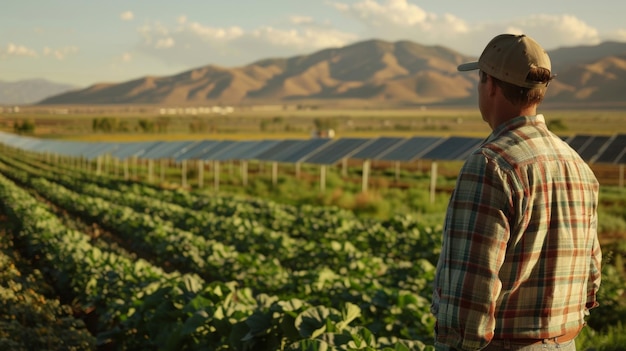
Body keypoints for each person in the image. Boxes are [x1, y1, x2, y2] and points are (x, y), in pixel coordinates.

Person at [430, 33, 602, 351]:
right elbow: (591, 276)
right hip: (565, 342)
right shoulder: (576, 164)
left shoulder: (489, 165)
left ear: (491, 85)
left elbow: (470, 292)